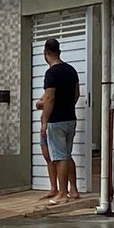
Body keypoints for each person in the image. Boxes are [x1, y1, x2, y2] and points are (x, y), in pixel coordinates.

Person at [39, 37, 81, 205]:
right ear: (59, 51)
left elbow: (49, 98)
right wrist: (68, 106)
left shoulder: (51, 73)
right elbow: (76, 94)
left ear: (46, 53)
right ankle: (74, 190)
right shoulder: (71, 70)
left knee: (59, 157)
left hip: (56, 121)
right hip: (70, 118)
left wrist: (44, 122)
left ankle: (62, 193)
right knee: (67, 155)